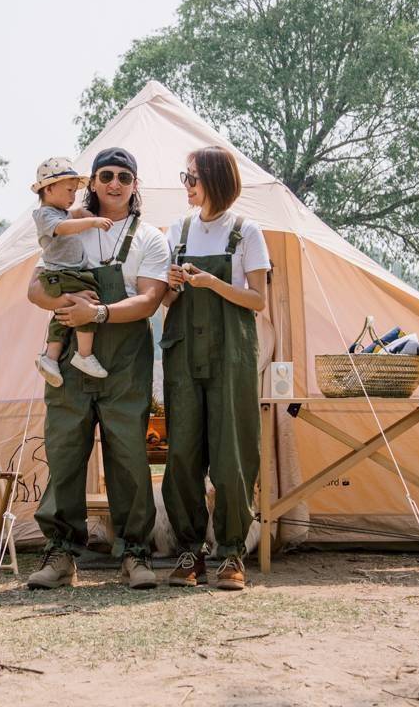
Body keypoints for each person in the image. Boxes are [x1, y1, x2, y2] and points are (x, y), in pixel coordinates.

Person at [25, 147, 170, 590]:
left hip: (125, 354)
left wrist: (101, 314)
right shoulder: (67, 226)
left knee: (127, 454)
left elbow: (149, 299)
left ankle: (135, 554)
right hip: (71, 349)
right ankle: (61, 555)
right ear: (91, 181)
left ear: (135, 186)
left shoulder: (151, 239)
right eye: (105, 175)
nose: (114, 184)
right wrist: (67, 304)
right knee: (65, 450)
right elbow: (34, 288)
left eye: (124, 177)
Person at [161, 145, 269, 590]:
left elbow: (258, 300)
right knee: (183, 455)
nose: (185, 186)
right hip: (184, 353)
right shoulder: (178, 230)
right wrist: (170, 284)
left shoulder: (246, 232)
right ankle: (190, 552)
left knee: (232, 456)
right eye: (184, 177)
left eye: (192, 178)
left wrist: (213, 283)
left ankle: (230, 553)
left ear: (215, 180)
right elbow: (165, 301)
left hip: (231, 355)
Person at [30, 156, 112, 387]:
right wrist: (92, 223)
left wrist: (83, 213)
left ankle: (51, 356)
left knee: (63, 316)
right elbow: (63, 227)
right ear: (49, 188)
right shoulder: (45, 215)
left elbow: (72, 215)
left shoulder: (61, 212)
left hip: (67, 274)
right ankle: (84, 354)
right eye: (68, 190)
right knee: (87, 302)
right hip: (63, 273)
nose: (72, 196)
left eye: (75, 191)